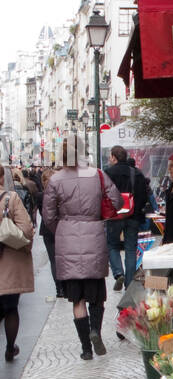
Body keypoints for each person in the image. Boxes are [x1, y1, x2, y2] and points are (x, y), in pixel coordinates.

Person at [43, 137, 121, 360]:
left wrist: (63, 228)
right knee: (96, 294)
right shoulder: (97, 174)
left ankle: (86, 348)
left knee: (77, 299)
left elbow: (48, 215)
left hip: (67, 240)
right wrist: (99, 217)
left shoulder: (55, 180)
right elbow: (117, 201)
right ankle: (96, 330)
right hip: (94, 236)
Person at [0, 166, 35, 361]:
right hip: (9, 262)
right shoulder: (10, 198)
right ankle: (10, 347)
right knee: (11, 308)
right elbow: (27, 230)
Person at [105, 144, 148, 290]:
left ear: (114, 157)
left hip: (114, 216)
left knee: (112, 245)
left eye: (110, 156)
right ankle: (129, 283)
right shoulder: (136, 173)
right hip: (133, 216)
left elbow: (104, 195)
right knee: (130, 249)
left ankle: (118, 272)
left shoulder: (108, 173)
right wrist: (136, 209)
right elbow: (144, 194)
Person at [38, 168, 62, 297]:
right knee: (62, 259)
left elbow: (42, 213)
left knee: (53, 260)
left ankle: (59, 289)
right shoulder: (60, 194)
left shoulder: (40, 196)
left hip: (47, 230)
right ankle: (64, 286)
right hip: (60, 228)